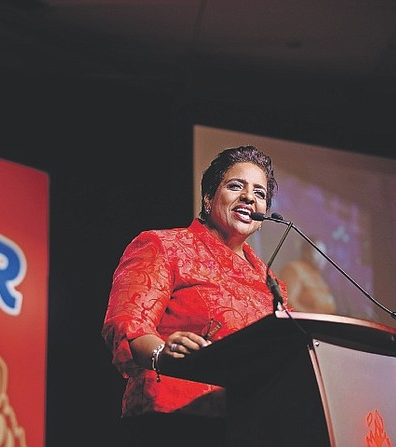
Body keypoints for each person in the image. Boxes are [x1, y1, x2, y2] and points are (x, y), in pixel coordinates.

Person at [101, 145, 293, 447]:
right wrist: (162, 354)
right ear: (208, 199)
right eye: (235, 186)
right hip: (172, 423)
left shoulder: (272, 285)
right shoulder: (164, 246)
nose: (248, 197)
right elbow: (127, 324)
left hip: (251, 428)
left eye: (259, 194)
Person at [279, 236, 337, 314]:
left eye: (324, 254)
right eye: (318, 253)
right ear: (306, 253)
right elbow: (289, 302)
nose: (322, 258)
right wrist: (314, 316)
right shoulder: (294, 270)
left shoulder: (318, 275)